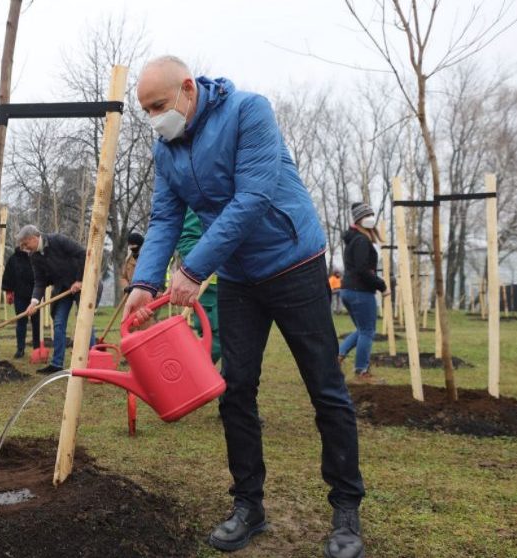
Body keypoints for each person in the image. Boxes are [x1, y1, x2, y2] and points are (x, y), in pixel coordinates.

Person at [126, 56, 365, 558]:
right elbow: (165, 216)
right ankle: (248, 506)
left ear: (188, 89)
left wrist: (193, 268)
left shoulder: (249, 112)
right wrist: (146, 281)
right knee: (235, 390)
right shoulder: (165, 147)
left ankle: (346, 511)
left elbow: (253, 197)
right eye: (145, 110)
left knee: (325, 387)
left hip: (292, 259)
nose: (153, 118)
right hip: (238, 275)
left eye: (159, 106)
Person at [17, 225, 96, 374]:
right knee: (59, 323)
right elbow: (40, 281)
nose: (24, 248)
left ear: (33, 238)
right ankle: (57, 364)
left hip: (82, 284)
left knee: (85, 320)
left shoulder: (57, 240)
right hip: (62, 289)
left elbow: (83, 254)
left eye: (25, 244)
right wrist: (34, 302)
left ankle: (92, 360)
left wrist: (80, 280)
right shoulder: (33, 256)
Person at [338, 202, 388, 384]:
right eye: (366, 216)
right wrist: (381, 285)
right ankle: (361, 373)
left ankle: (337, 358)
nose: (370, 219)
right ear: (358, 220)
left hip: (349, 290)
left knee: (362, 330)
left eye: (371, 215)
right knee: (367, 331)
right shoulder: (360, 240)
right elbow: (362, 269)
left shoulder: (355, 239)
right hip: (360, 291)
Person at [177, 209, 221, 364]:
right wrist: (213, 260)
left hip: (243, 283)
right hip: (210, 287)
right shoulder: (198, 199)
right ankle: (188, 376)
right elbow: (188, 239)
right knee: (214, 340)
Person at [2, 245, 40, 359]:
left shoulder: (36, 256)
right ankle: (20, 349)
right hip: (20, 295)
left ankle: (37, 348)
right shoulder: (14, 259)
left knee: (36, 322)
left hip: (36, 294)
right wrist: (9, 292)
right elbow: (8, 276)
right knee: (21, 322)